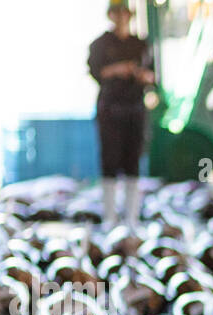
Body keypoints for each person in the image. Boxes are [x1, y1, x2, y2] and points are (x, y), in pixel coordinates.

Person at [88, 0, 154, 230]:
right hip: (110, 110)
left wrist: (138, 74)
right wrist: (118, 69)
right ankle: (110, 217)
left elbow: (153, 75)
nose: (121, 17)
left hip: (134, 109)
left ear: (129, 14)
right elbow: (95, 71)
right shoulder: (100, 44)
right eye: (116, 12)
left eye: (124, 12)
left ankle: (132, 218)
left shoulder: (141, 44)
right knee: (110, 160)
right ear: (111, 15)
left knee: (132, 161)